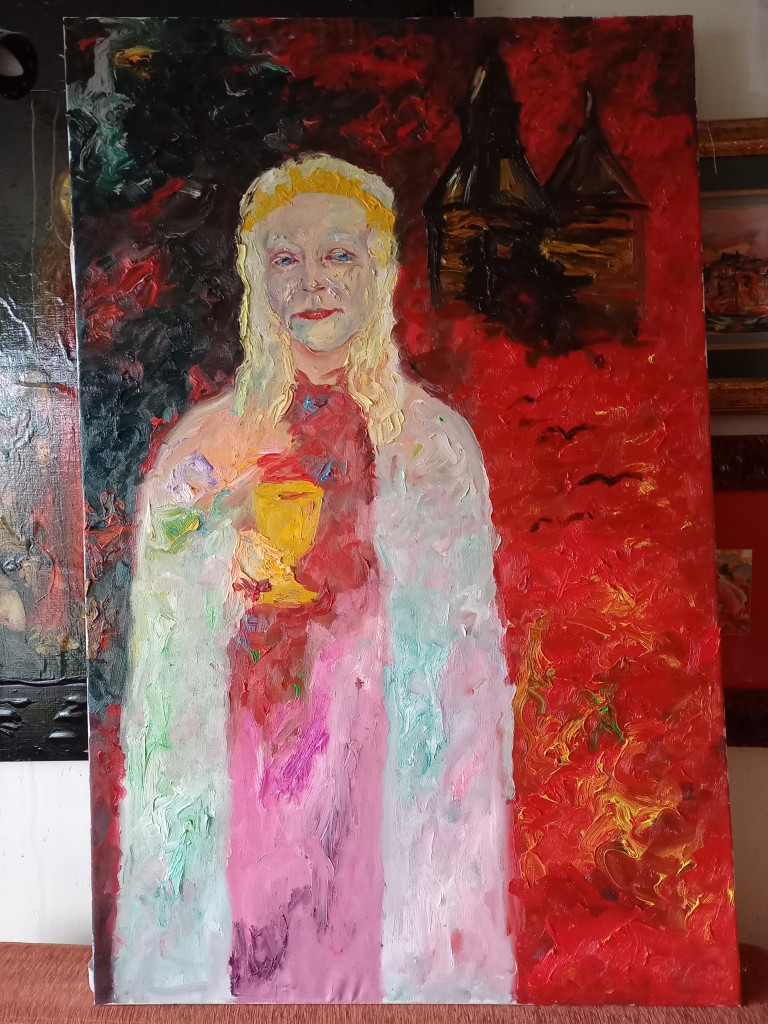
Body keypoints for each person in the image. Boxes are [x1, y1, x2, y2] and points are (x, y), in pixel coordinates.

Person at [113, 154, 515, 1004]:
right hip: (248, 745)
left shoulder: (434, 445)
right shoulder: (204, 446)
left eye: (339, 254)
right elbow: (165, 624)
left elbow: (462, 637)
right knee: (254, 942)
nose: (312, 281)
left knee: (372, 943)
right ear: (254, 277)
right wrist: (224, 567)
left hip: (384, 747)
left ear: (379, 272)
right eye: (286, 258)